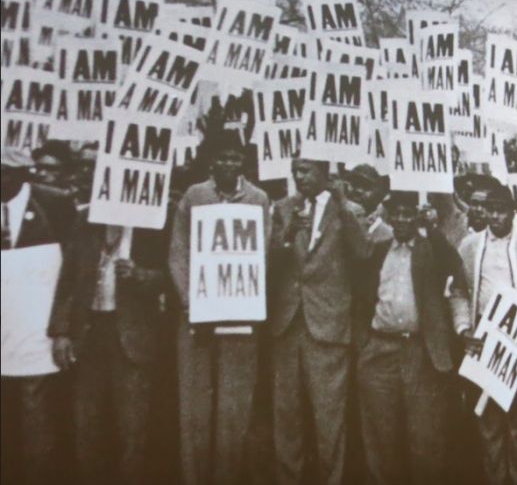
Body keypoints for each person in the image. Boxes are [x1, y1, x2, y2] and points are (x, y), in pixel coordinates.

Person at [49, 162, 170, 485]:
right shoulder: (85, 221)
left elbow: (173, 277)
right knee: (85, 423)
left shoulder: (153, 225)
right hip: (89, 335)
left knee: (132, 427)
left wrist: (141, 275)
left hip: (132, 338)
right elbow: (68, 280)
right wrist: (61, 331)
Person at [168, 130, 272, 485]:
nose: (229, 164)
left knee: (234, 403)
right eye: (222, 158)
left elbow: (265, 255)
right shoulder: (194, 196)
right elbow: (178, 253)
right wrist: (190, 302)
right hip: (196, 315)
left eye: (235, 158)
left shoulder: (258, 199)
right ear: (211, 161)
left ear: (243, 162)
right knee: (194, 403)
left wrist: (247, 298)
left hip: (241, 317)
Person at [269, 158, 369, 485]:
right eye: (296, 169)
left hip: (327, 328)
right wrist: (286, 237)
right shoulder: (283, 208)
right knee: (287, 420)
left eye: (307, 170)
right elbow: (266, 264)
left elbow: (363, 253)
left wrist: (341, 203)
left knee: (330, 421)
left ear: (325, 174)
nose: (300, 176)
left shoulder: (348, 209)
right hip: (287, 326)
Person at [355, 191, 459, 484]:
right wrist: (364, 343)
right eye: (396, 213)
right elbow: (361, 296)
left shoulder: (432, 249)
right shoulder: (377, 249)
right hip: (379, 350)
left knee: (425, 437)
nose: (401, 219)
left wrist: (434, 228)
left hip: (420, 352)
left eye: (408, 213)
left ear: (417, 216)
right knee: (380, 436)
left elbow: (455, 265)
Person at [451, 185, 517, 485]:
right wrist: (464, 328)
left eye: (501, 209)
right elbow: (458, 292)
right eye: (489, 208)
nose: (493, 215)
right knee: (488, 422)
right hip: (483, 338)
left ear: (513, 212)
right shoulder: (468, 246)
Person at [1, 148, 66, 485]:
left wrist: (63, 327)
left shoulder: (54, 204)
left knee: (35, 418)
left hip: (37, 330)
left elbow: (74, 271)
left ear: (23, 172)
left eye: (4, 172)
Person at [345, 163, 393, 243]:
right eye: (354, 184)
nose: (358, 191)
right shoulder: (332, 221)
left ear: (380, 194)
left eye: (366, 187)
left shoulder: (385, 234)